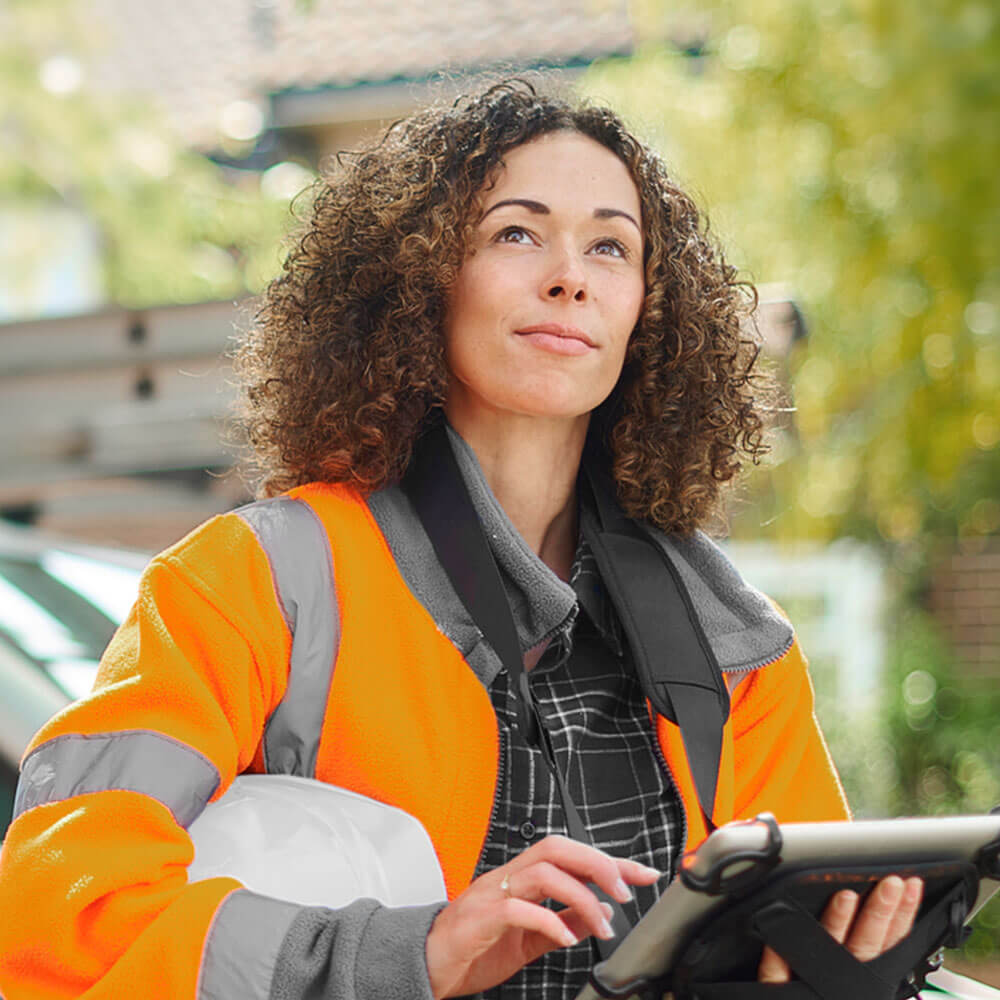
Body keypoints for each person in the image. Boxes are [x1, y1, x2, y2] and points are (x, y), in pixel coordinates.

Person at [0, 80, 921, 1000]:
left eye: (611, 246)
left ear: (648, 310)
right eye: (516, 233)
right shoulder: (257, 582)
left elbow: (805, 935)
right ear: (418, 280)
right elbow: (49, 905)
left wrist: (841, 968)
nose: (571, 277)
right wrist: (407, 953)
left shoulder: (737, 643)